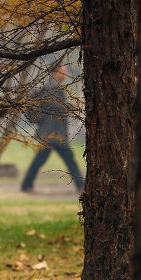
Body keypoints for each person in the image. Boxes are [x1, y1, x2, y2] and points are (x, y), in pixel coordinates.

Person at [21, 64, 84, 194]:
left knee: (40, 160)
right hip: (52, 134)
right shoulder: (50, 89)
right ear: (56, 72)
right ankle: (81, 186)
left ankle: (26, 185)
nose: (65, 74)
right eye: (63, 71)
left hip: (53, 133)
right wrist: (71, 107)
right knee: (69, 160)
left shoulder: (53, 88)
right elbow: (55, 107)